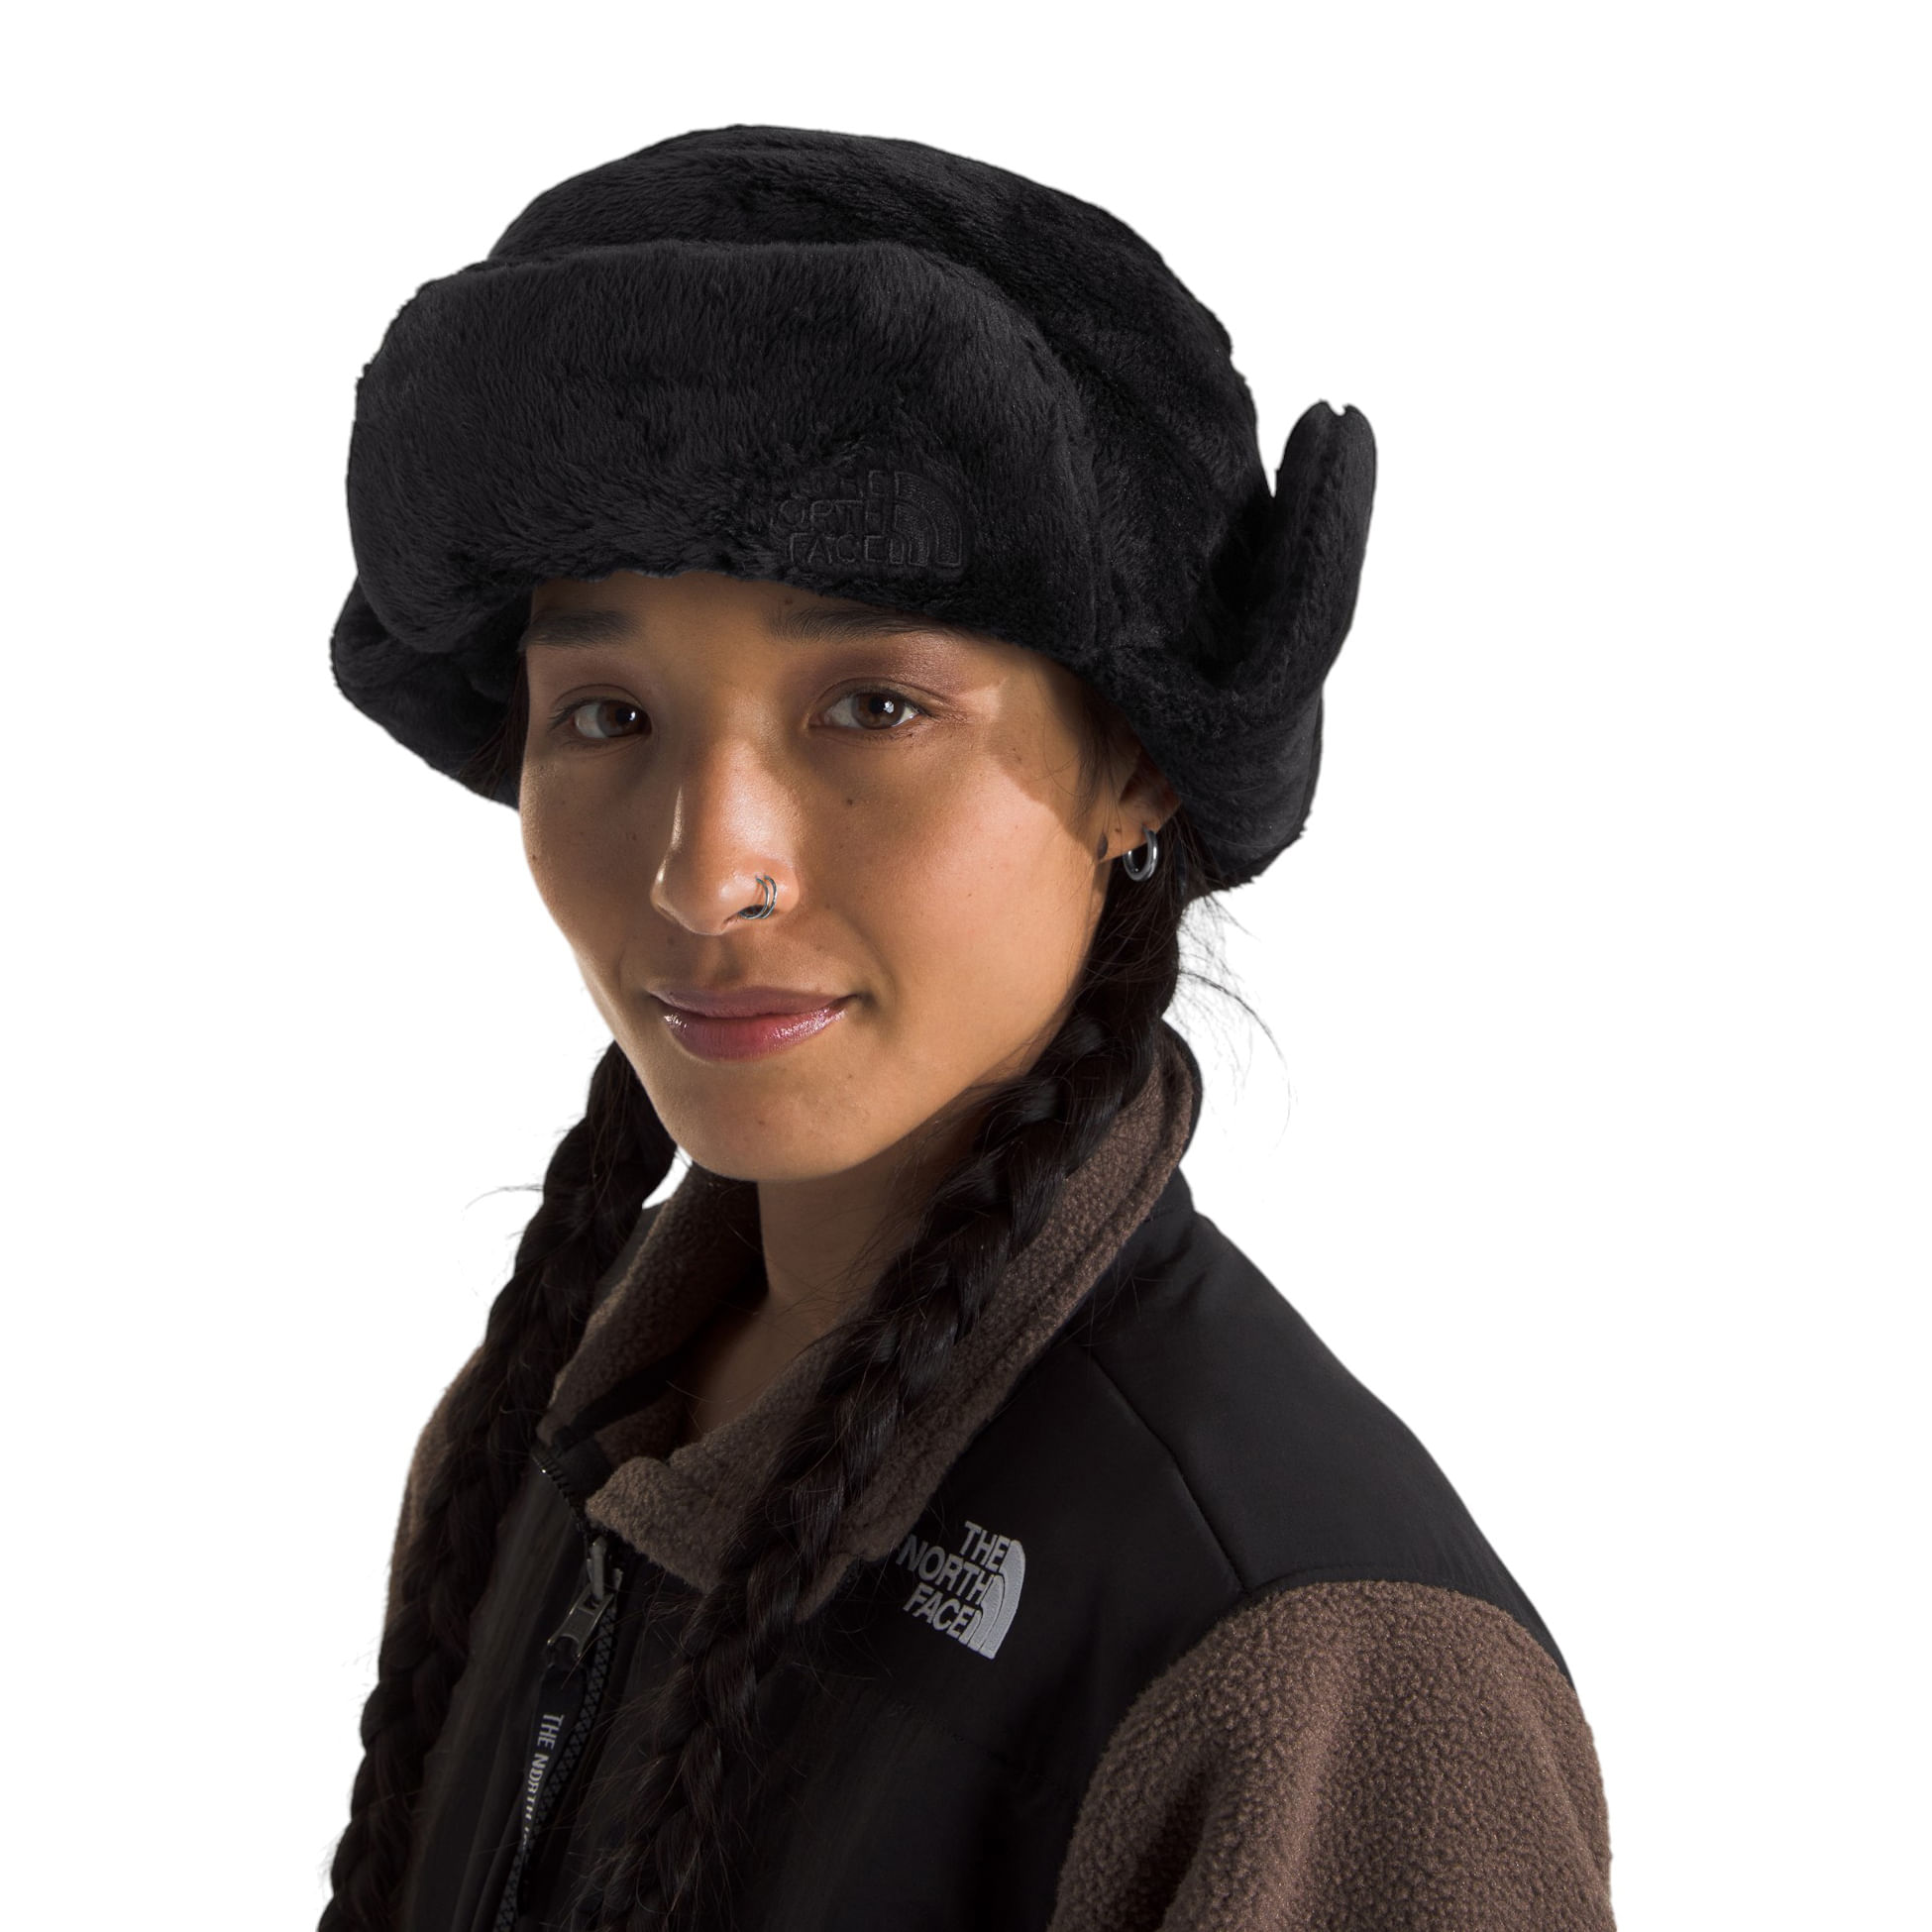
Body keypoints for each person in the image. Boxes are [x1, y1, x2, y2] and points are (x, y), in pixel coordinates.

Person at [319, 125, 1616, 1932]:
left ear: (1136, 762)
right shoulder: (536, 1424)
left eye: (870, 704)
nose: (705, 870)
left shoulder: (1316, 1663)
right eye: (606, 716)